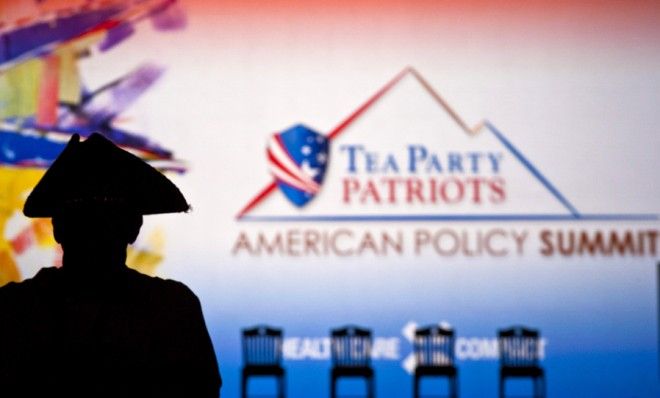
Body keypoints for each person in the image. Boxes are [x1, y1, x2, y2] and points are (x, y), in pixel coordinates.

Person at [0, 133, 221, 397]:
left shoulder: (15, 310)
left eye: (104, 218)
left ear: (57, 228)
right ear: (133, 229)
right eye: (86, 218)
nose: (95, 230)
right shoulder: (172, 307)